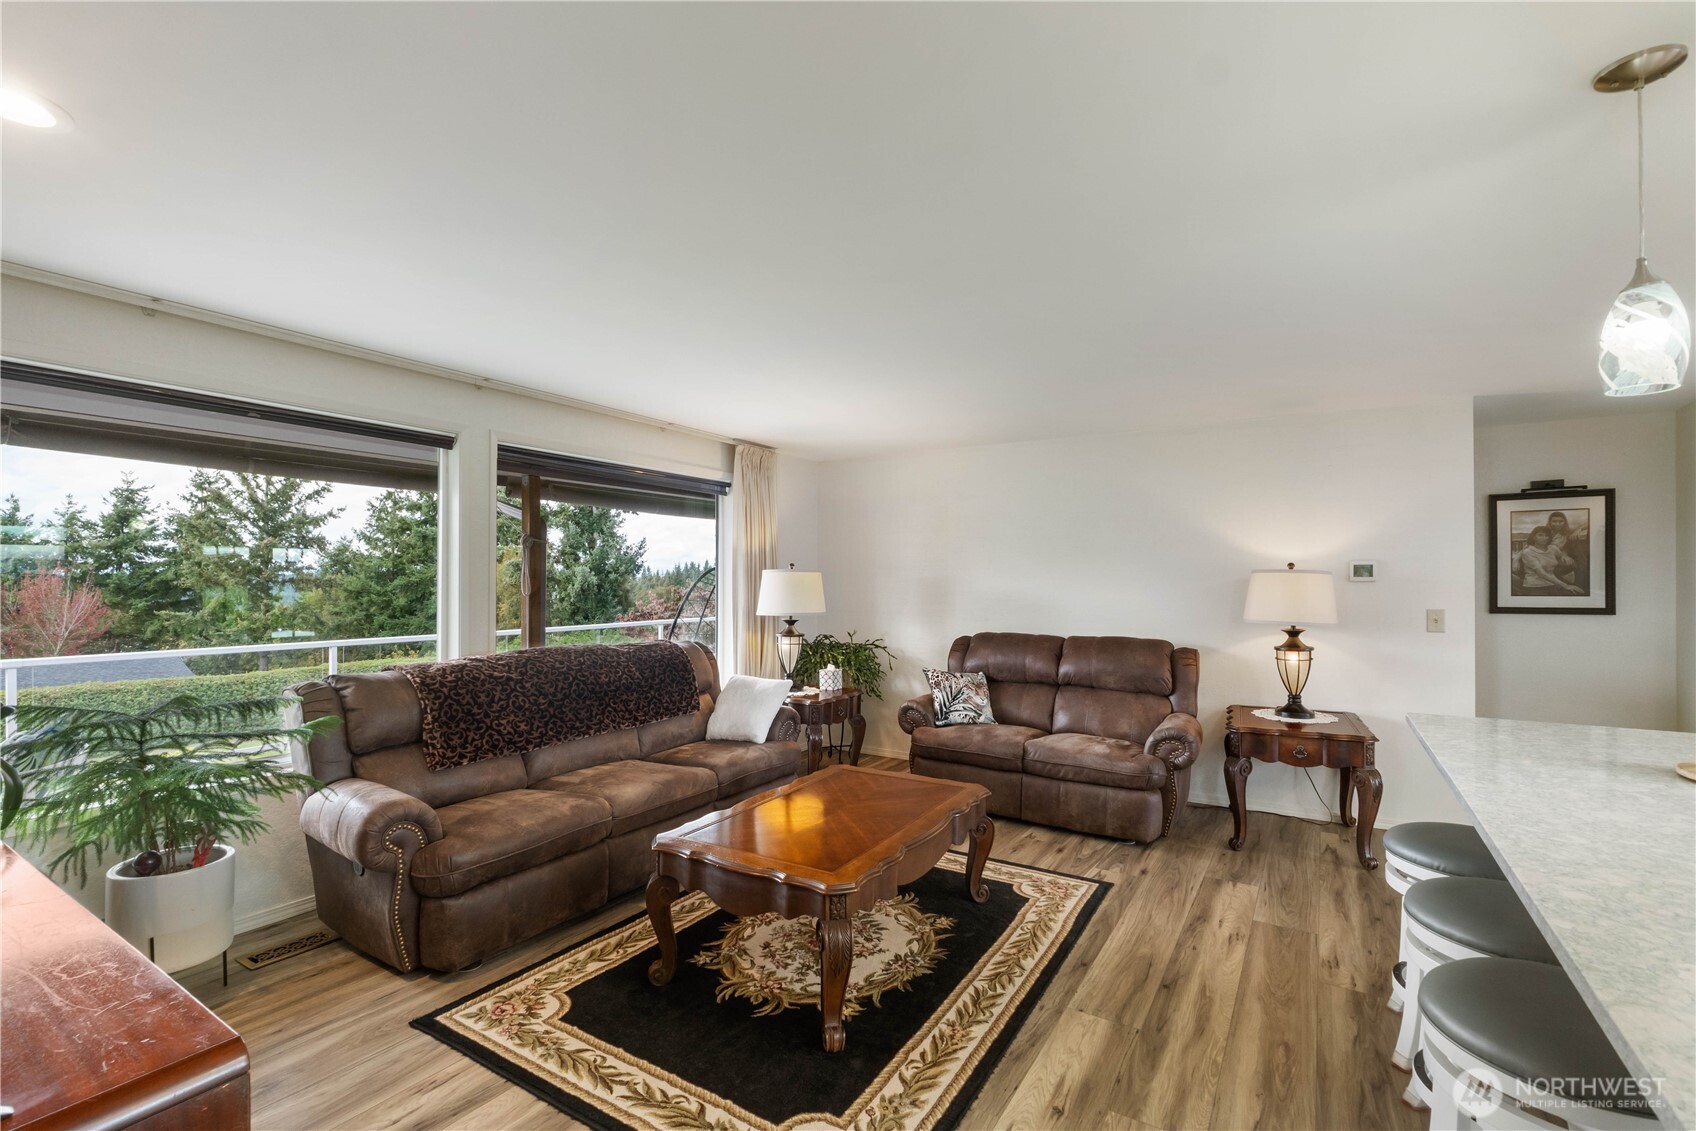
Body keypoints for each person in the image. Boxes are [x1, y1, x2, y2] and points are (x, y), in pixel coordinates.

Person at [1514, 526, 1582, 596]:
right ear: (1533, 537)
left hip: (1553, 583)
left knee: (1577, 594)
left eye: (1547, 535)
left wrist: (1565, 557)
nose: (1544, 538)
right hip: (1535, 586)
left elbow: (1560, 560)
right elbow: (1542, 574)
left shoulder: (1553, 548)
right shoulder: (1528, 552)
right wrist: (1566, 585)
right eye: (1540, 535)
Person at [1545, 511, 1589, 593]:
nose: (1557, 524)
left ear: (1565, 522)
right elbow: (1529, 546)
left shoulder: (1567, 533)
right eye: (1554, 521)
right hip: (1544, 559)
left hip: (1558, 559)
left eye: (1560, 521)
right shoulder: (1545, 532)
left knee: (1578, 562)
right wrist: (1516, 559)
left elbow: (1592, 522)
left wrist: (1580, 529)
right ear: (1550, 522)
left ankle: (1579, 587)